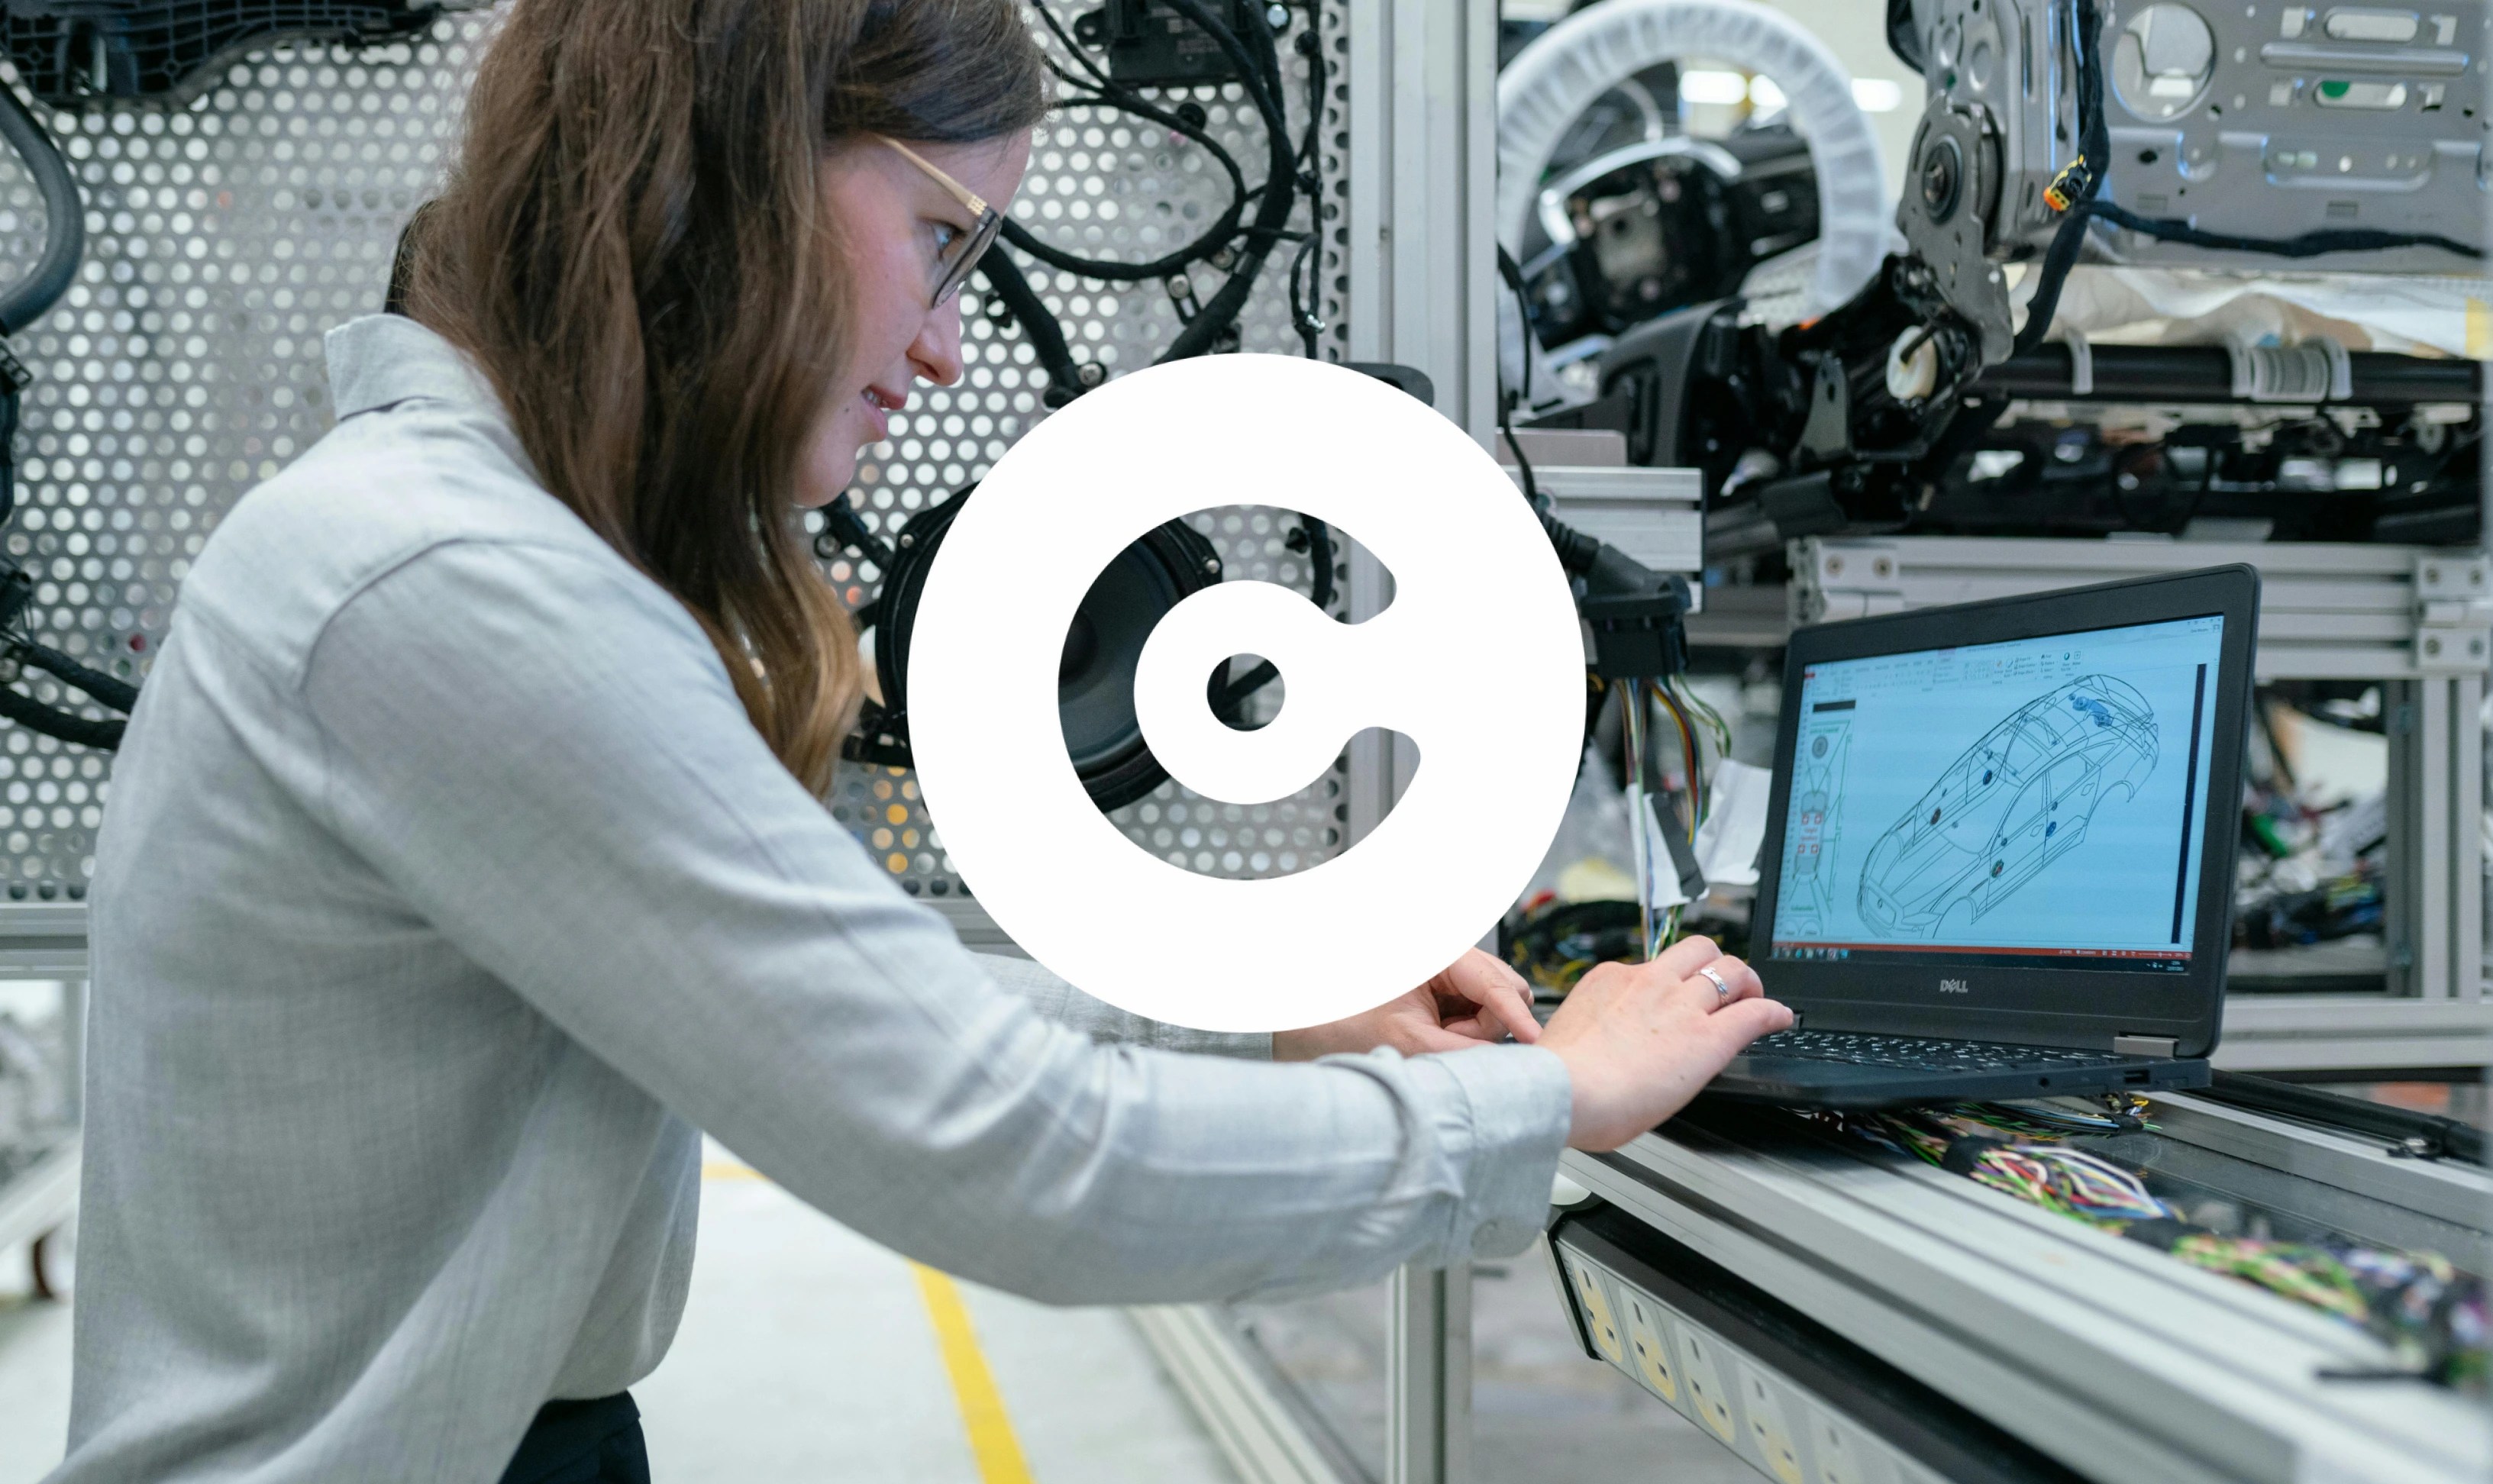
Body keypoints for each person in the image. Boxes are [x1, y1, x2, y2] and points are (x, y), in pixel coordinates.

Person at [51, 2, 1791, 1479]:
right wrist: (1545, 1098)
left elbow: (850, 1011)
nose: (952, 348)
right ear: (725, 172)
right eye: (944, 238)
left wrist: (1276, 1022)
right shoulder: (451, 584)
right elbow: (1019, 1157)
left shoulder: (464, 552)